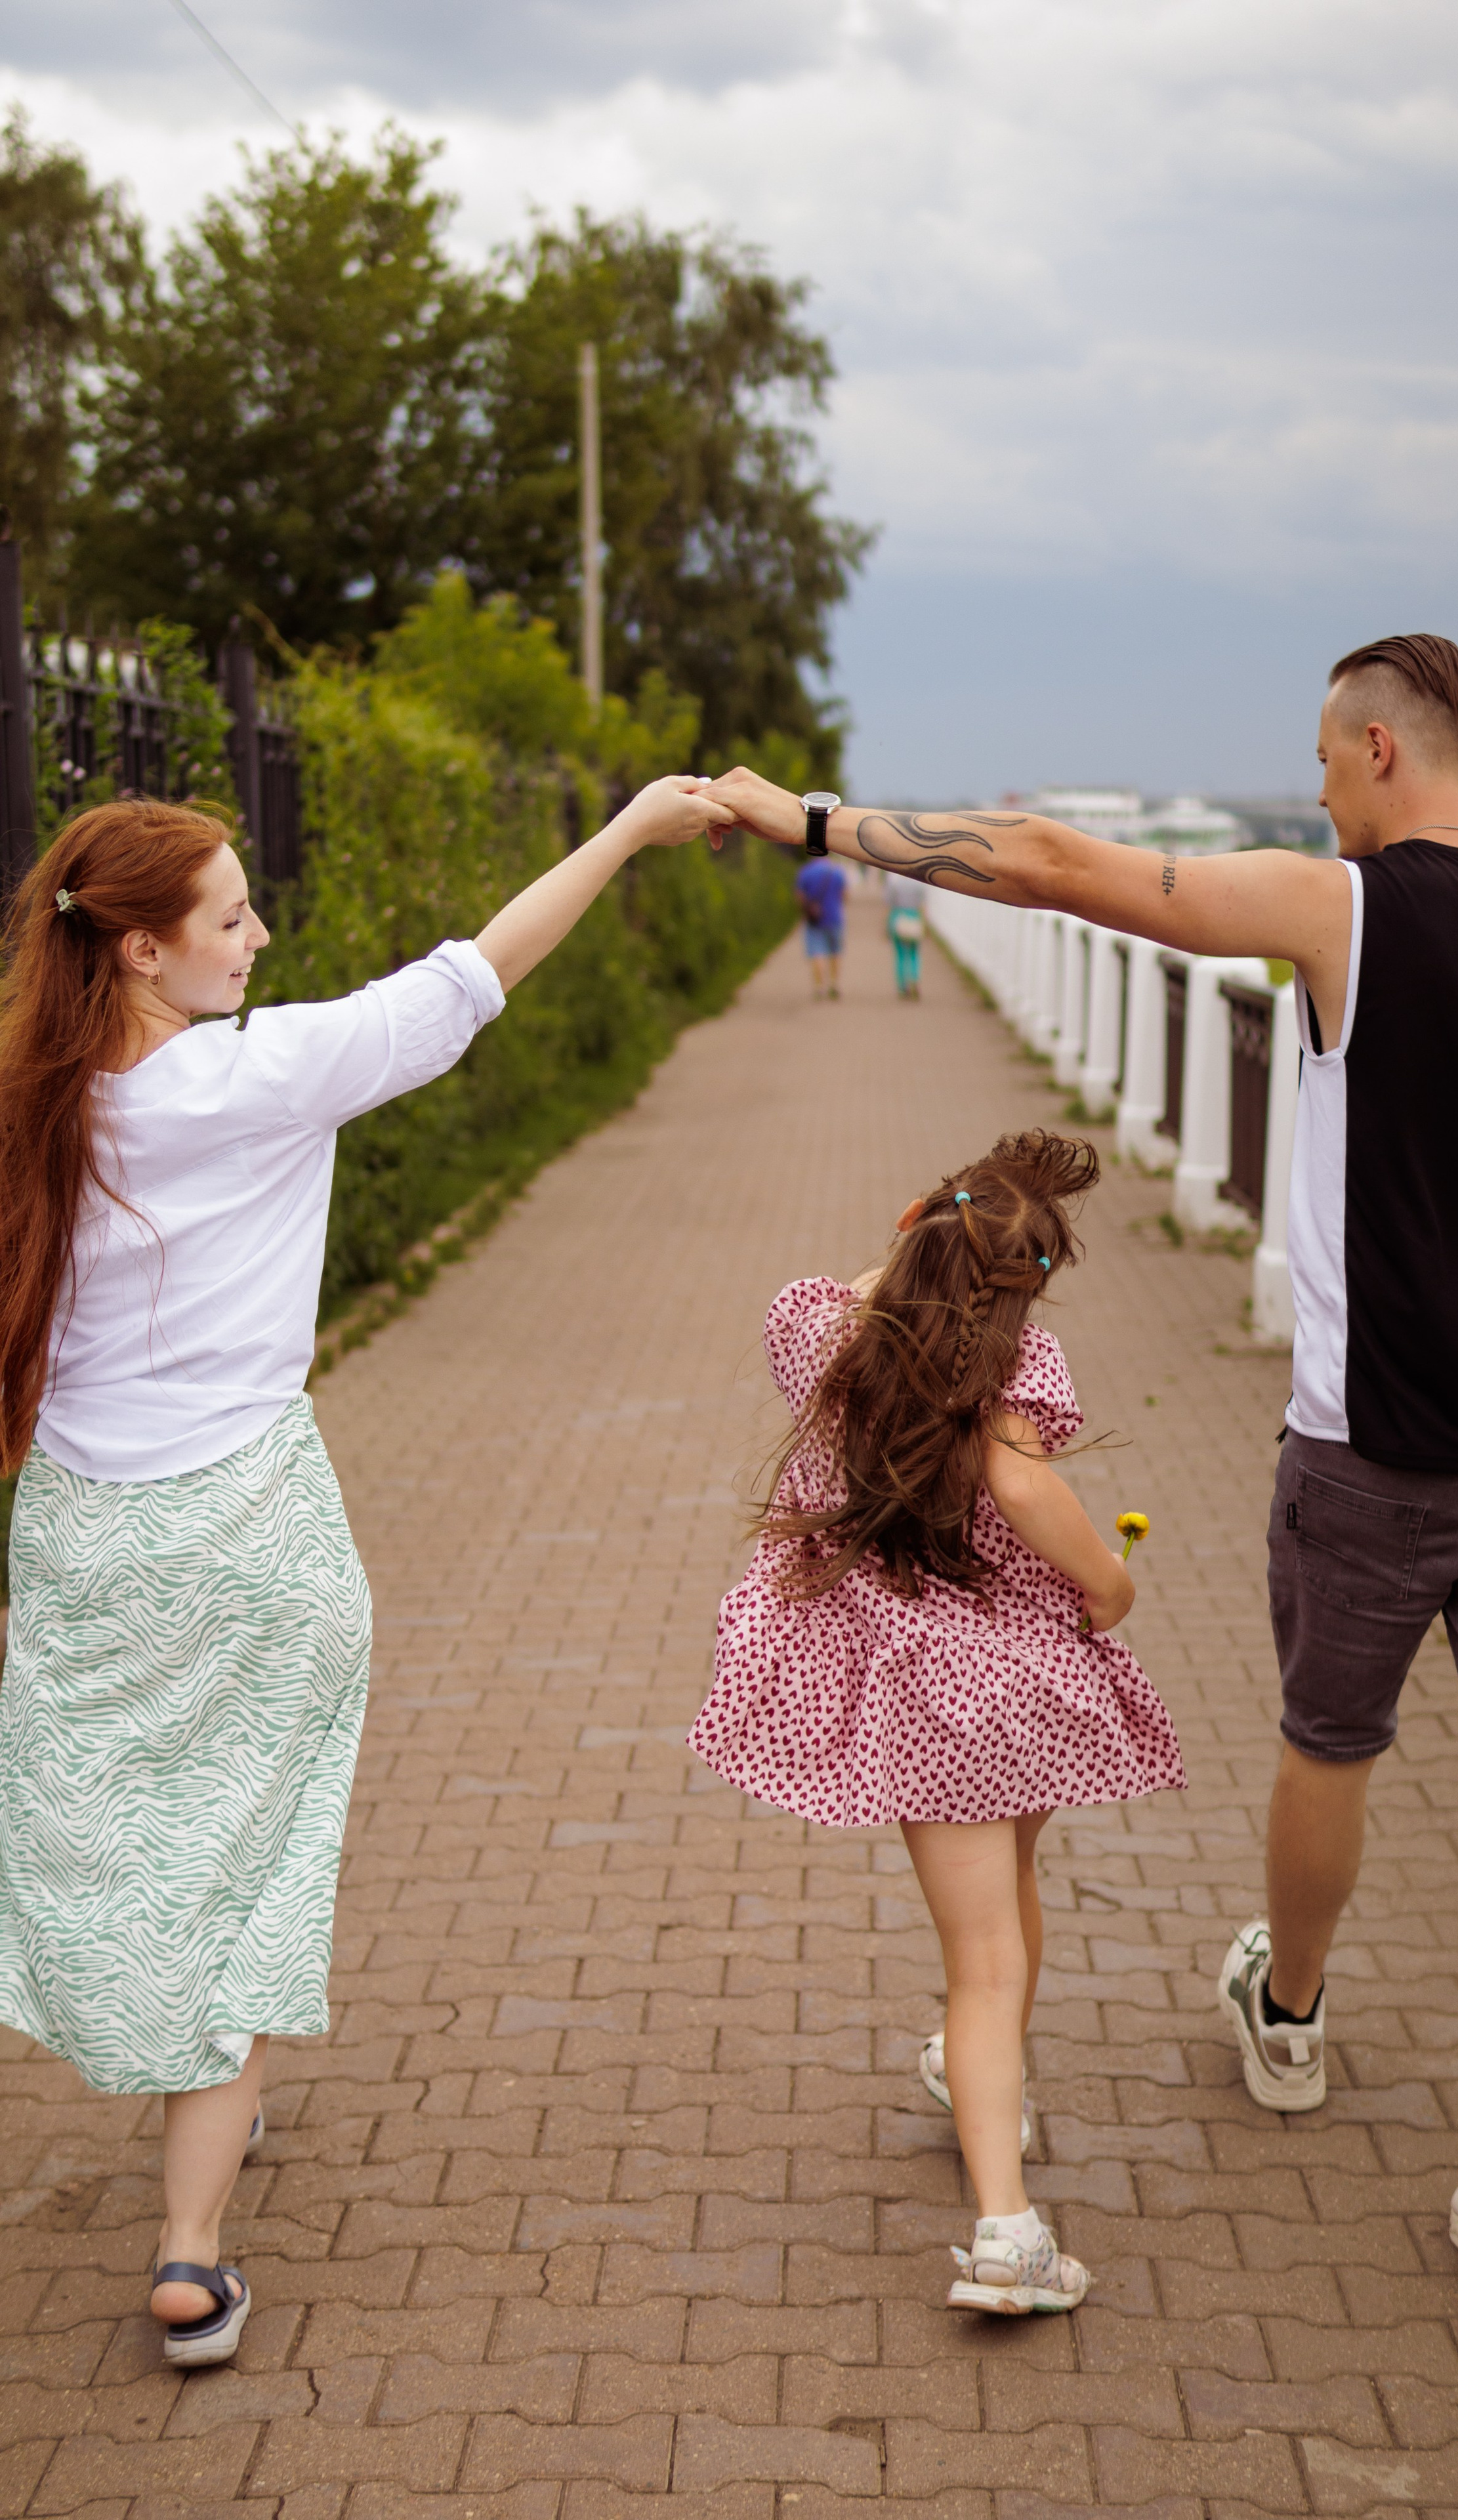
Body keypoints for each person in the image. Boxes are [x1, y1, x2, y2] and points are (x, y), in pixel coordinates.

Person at [705, 633, 1458, 2320]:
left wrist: (809, 820)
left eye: (1319, 756)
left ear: (1379, 748)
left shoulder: (1340, 911)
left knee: (1330, 1735)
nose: (1310, 787)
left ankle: (1286, 2016)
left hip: (1369, 1448)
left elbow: (1056, 863)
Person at [0, 776, 732, 2366]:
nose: (258, 933)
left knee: (123, 1837)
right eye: (230, 914)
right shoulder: (263, 1079)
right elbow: (472, 977)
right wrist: (623, 832)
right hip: (251, 1528)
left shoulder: (30, 1105)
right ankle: (191, 2253)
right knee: (253, 1855)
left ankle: (194, 2081)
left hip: (82, 1536)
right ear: (136, 952)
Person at [687, 1130, 1183, 2315]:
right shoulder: (1019, 1367)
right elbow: (1018, 1482)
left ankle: (994, 2150)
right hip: (1013, 1687)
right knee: (1004, 1929)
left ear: (915, 1224)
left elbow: (857, 1293)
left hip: (921, 1692)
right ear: (1029, 1288)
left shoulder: (822, 1327)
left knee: (987, 1948)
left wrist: (913, 1250)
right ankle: (1003, 2206)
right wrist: (1108, 1589)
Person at [795, 849, 846, 998]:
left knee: (817, 953)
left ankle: (819, 987)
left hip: (815, 920)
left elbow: (799, 896)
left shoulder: (805, 872)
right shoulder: (837, 871)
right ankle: (834, 984)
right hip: (835, 917)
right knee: (836, 952)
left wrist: (807, 910)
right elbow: (844, 894)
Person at [885, 871, 926, 998]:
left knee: (900, 955)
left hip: (899, 918)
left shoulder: (895, 884)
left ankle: (903, 986)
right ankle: (915, 981)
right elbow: (923, 906)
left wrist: (886, 925)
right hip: (915, 918)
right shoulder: (919, 885)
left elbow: (889, 905)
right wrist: (925, 924)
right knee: (914, 954)